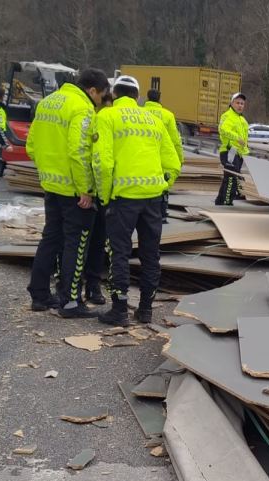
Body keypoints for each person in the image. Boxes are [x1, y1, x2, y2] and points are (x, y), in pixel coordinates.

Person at [93, 75, 181, 327]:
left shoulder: (107, 117)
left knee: (119, 252)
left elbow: (102, 162)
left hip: (123, 198)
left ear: (116, 94)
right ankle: (145, 310)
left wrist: (105, 195)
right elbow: (173, 162)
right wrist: (163, 184)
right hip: (153, 198)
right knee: (150, 255)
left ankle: (119, 310)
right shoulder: (153, 119)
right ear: (137, 96)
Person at [25, 68, 110, 316]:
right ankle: (70, 301)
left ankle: (39, 295)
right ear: (92, 90)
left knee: (50, 239)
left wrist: (49, 169)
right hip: (74, 189)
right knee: (77, 243)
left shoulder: (48, 102)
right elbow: (79, 152)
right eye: (101, 95)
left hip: (51, 184)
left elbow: (32, 145)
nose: (99, 101)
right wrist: (86, 189)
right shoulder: (81, 109)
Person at [83, 91, 114, 306]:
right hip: (86, 194)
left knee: (98, 244)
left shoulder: (113, 129)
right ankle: (68, 286)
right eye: (105, 108)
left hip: (104, 195)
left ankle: (93, 285)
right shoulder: (88, 126)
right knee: (78, 244)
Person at [144, 89, 184, 223]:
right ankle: (161, 214)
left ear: (147, 98)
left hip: (144, 153)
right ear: (160, 99)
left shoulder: (140, 112)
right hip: (163, 155)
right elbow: (175, 140)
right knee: (163, 184)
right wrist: (179, 158)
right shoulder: (167, 115)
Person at [214, 92, 249, 205]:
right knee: (231, 178)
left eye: (242, 103)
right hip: (229, 151)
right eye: (237, 103)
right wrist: (236, 138)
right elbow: (223, 130)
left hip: (238, 154)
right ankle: (227, 202)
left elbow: (245, 139)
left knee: (230, 177)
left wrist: (246, 152)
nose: (240, 105)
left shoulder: (242, 120)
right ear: (232, 103)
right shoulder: (227, 116)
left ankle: (219, 201)